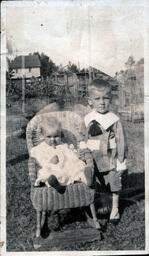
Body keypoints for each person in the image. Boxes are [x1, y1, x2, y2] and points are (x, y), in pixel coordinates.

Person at [80, 78, 128, 224]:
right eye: (97, 98)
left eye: (106, 98)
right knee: (94, 182)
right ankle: (98, 204)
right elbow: (83, 136)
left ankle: (114, 208)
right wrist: (82, 148)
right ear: (90, 101)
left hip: (110, 156)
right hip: (93, 157)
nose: (102, 102)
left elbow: (121, 141)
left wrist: (121, 162)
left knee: (113, 182)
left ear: (111, 99)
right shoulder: (88, 118)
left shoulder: (113, 119)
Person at [30, 116, 94, 194]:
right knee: (49, 174)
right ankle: (55, 184)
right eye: (49, 137)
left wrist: (75, 154)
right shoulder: (40, 148)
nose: (52, 139)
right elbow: (37, 160)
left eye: (56, 136)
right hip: (53, 168)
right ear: (43, 136)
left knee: (78, 168)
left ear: (60, 135)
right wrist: (49, 161)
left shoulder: (63, 145)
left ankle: (87, 179)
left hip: (67, 167)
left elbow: (71, 155)